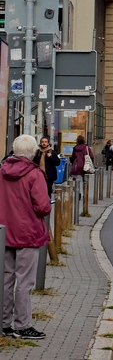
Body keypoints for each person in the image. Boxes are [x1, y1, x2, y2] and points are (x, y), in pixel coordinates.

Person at [0, 135, 51, 339]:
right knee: (24, 283)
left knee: (5, 279)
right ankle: (22, 326)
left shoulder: (2, 172)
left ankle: (4, 323)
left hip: (4, 232)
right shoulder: (34, 174)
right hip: (27, 233)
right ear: (33, 152)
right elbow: (43, 206)